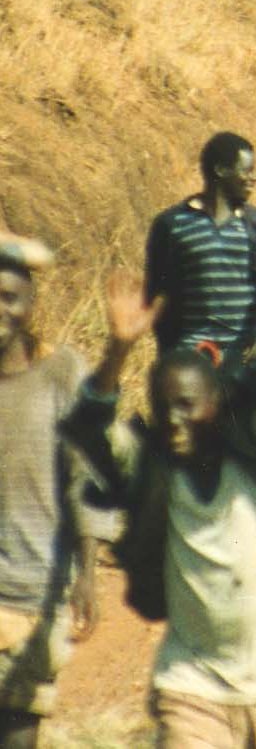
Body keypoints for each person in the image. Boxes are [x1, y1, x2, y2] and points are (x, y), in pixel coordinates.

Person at [66, 272, 256, 748]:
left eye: (187, 405)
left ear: (216, 405)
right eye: (163, 408)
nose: (174, 419)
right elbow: (90, 431)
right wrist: (119, 349)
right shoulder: (153, 471)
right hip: (195, 683)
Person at [0, 236, 98, 746]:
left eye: (9, 298)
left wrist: (89, 573)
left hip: (33, 591)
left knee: (19, 730)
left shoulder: (61, 374)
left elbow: (84, 478)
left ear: (31, 304)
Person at [144, 131, 256, 366]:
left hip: (241, 366)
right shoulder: (172, 225)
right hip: (189, 364)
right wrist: (173, 355)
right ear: (220, 170)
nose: (254, 178)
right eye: (246, 171)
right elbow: (157, 295)